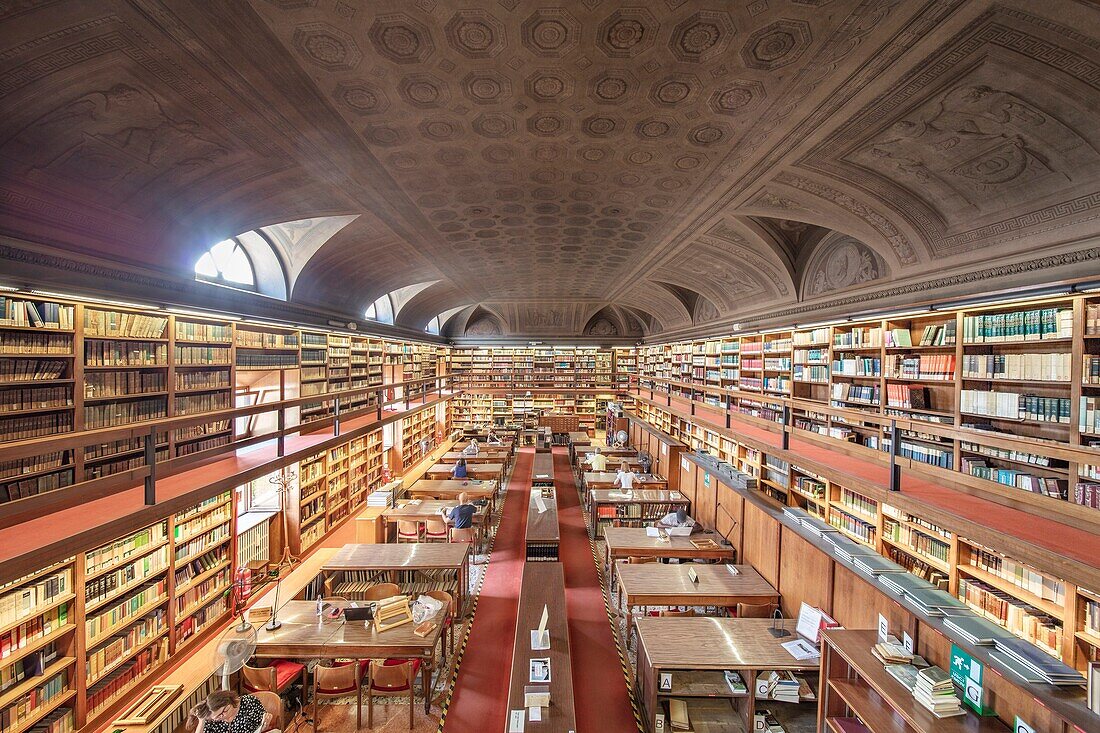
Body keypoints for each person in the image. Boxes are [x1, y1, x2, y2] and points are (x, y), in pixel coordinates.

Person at [187, 690, 272, 733]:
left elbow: (262, 726)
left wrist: (264, 726)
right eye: (217, 716)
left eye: (224, 711)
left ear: (230, 701)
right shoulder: (211, 720)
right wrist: (201, 721)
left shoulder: (249, 703)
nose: (222, 716)